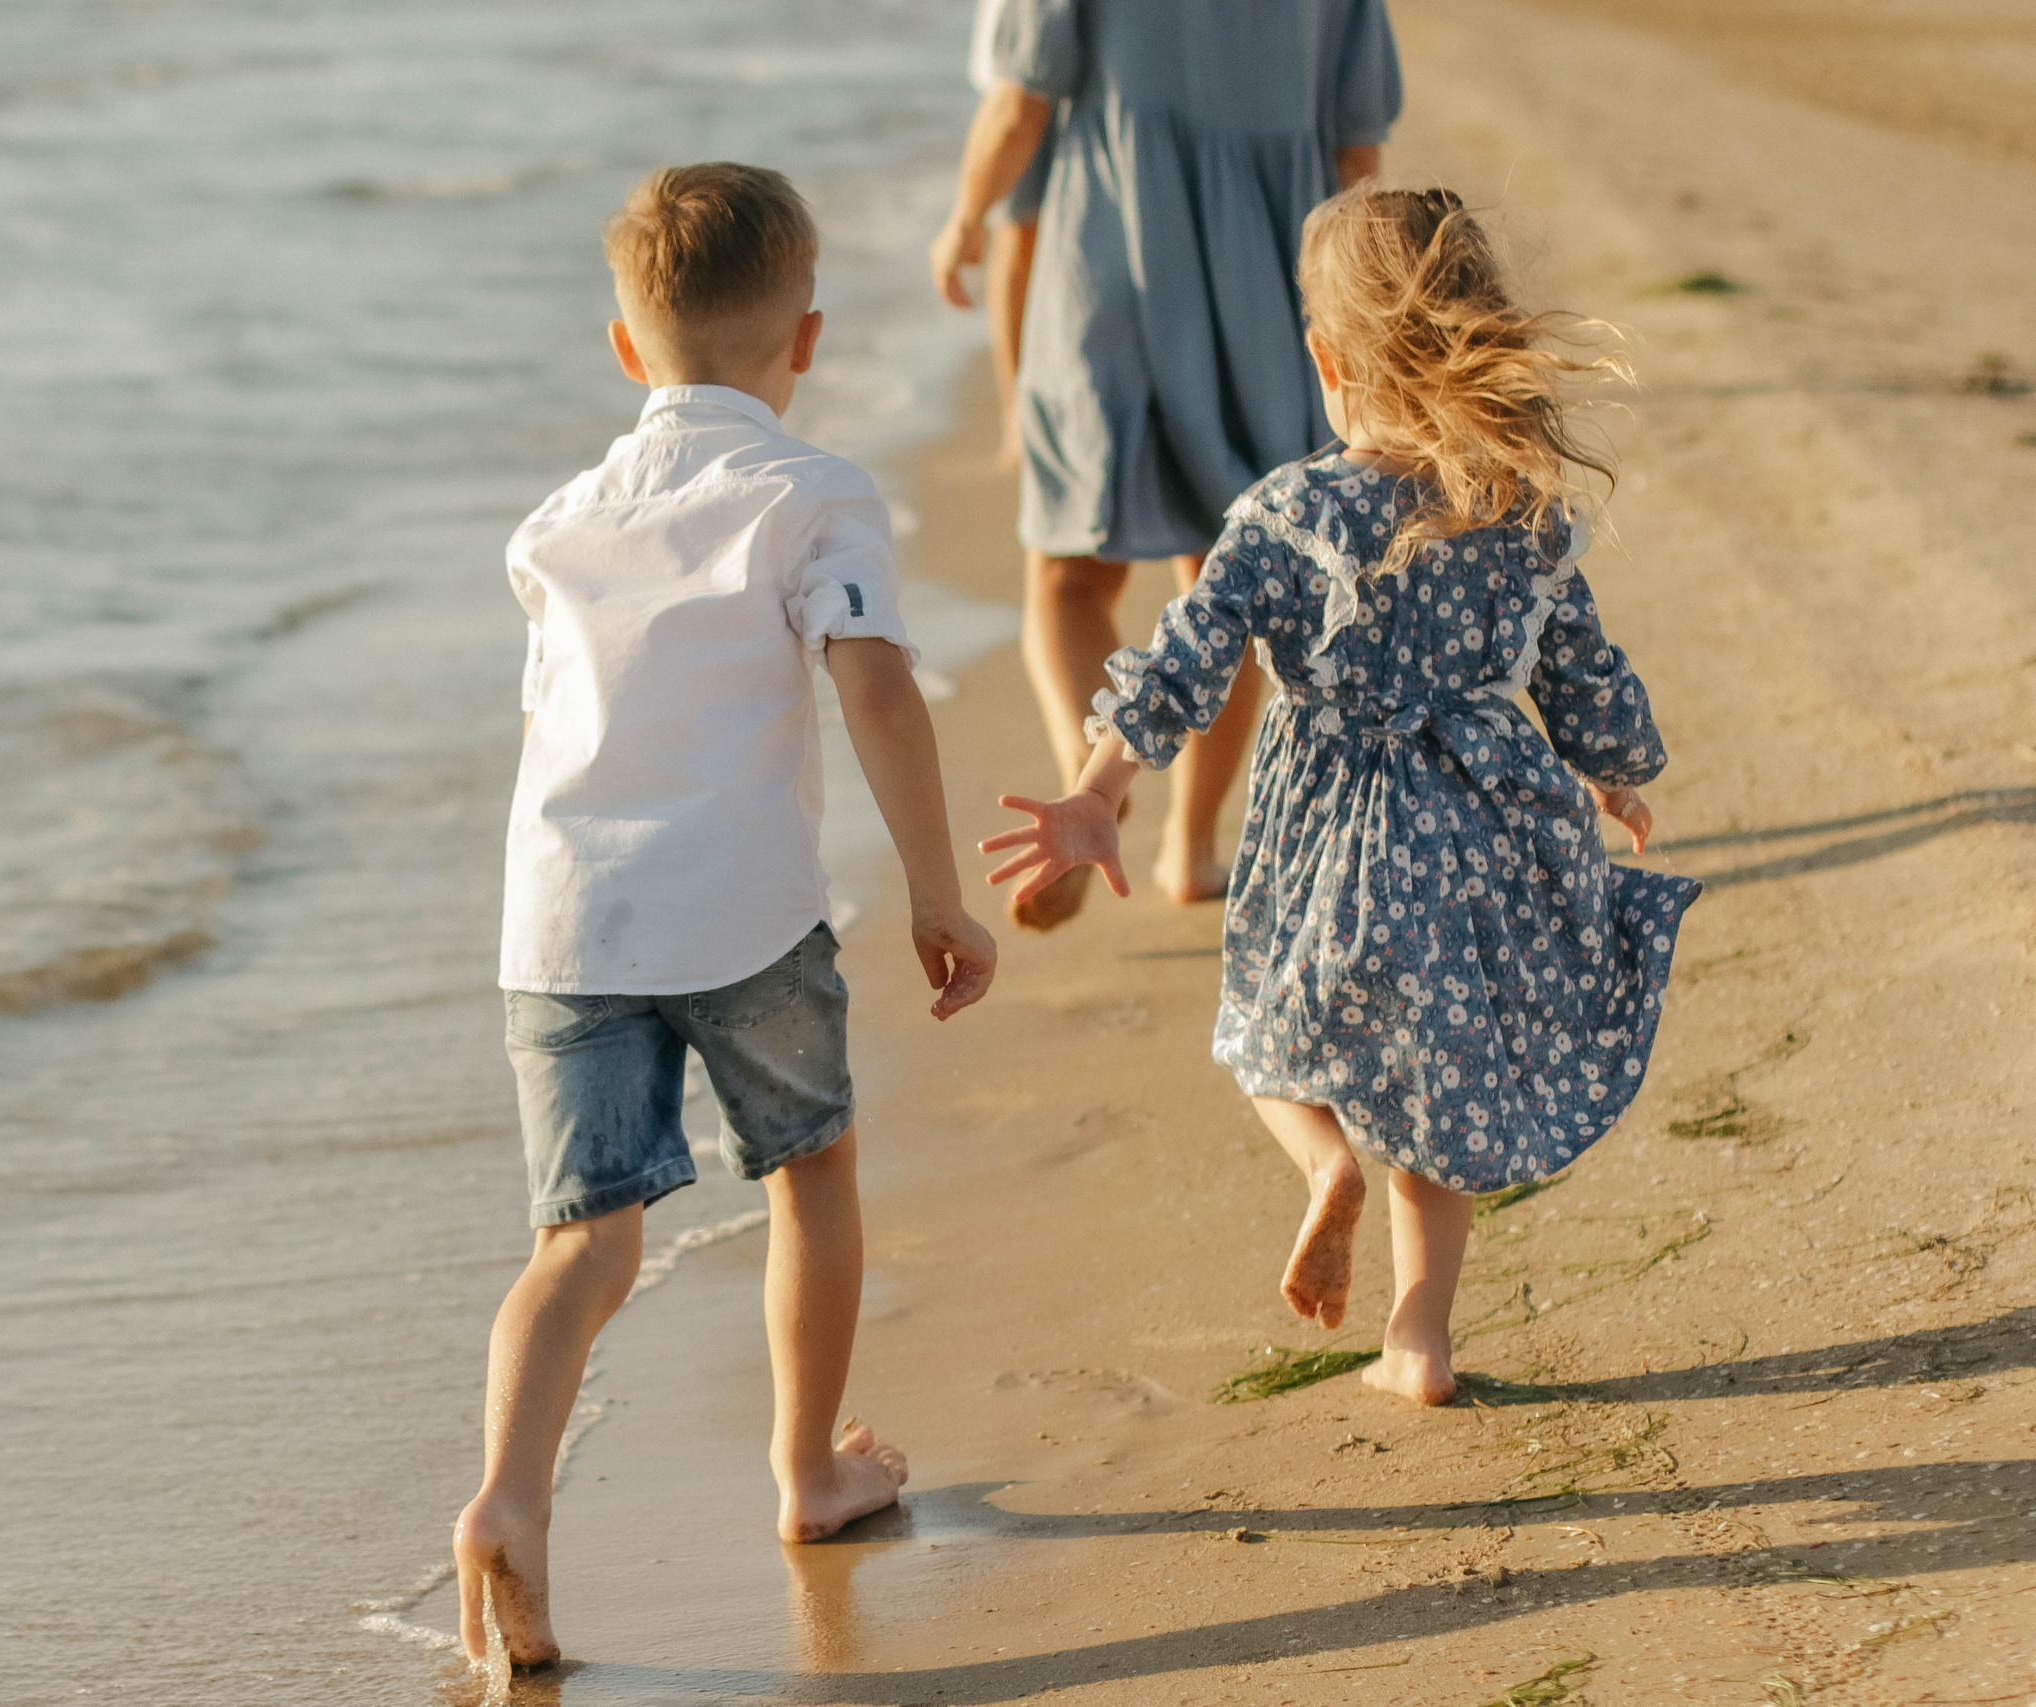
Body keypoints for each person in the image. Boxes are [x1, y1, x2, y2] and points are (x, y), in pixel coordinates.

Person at [980, 188, 1699, 1406]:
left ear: (1325, 359)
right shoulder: (1515, 509)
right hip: (1487, 828)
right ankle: (1418, 1335)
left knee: (1266, 1036)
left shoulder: (1285, 515)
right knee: (1446, 1083)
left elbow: (1181, 664)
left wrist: (1101, 789)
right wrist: (1618, 767)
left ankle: (1324, 1169)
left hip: (1328, 835)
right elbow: (1580, 666)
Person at [454, 163, 999, 1671]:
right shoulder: (811, 493)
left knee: (581, 1245)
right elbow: (875, 682)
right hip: (744, 909)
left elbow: (543, 723)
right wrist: (939, 890)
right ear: (805, 340)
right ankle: (810, 1467)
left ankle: (508, 1493)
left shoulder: (555, 525)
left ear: (626, 350)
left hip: (564, 922)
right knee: (810, 1171)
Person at [932, 0, 1404, 926]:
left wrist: (963, 221)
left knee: (1068, 579)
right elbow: (1358, 151)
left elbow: (1022, 102)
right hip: (1274, 280)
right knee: (1231, 587)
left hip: (1111, 260)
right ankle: (1190, 850)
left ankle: (1092, 785)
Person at [968, 0, 1055, 469]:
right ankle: (1016, 414)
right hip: (1021, 72)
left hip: (1048, 72)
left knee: (1018, 235)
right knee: (1017, 233)